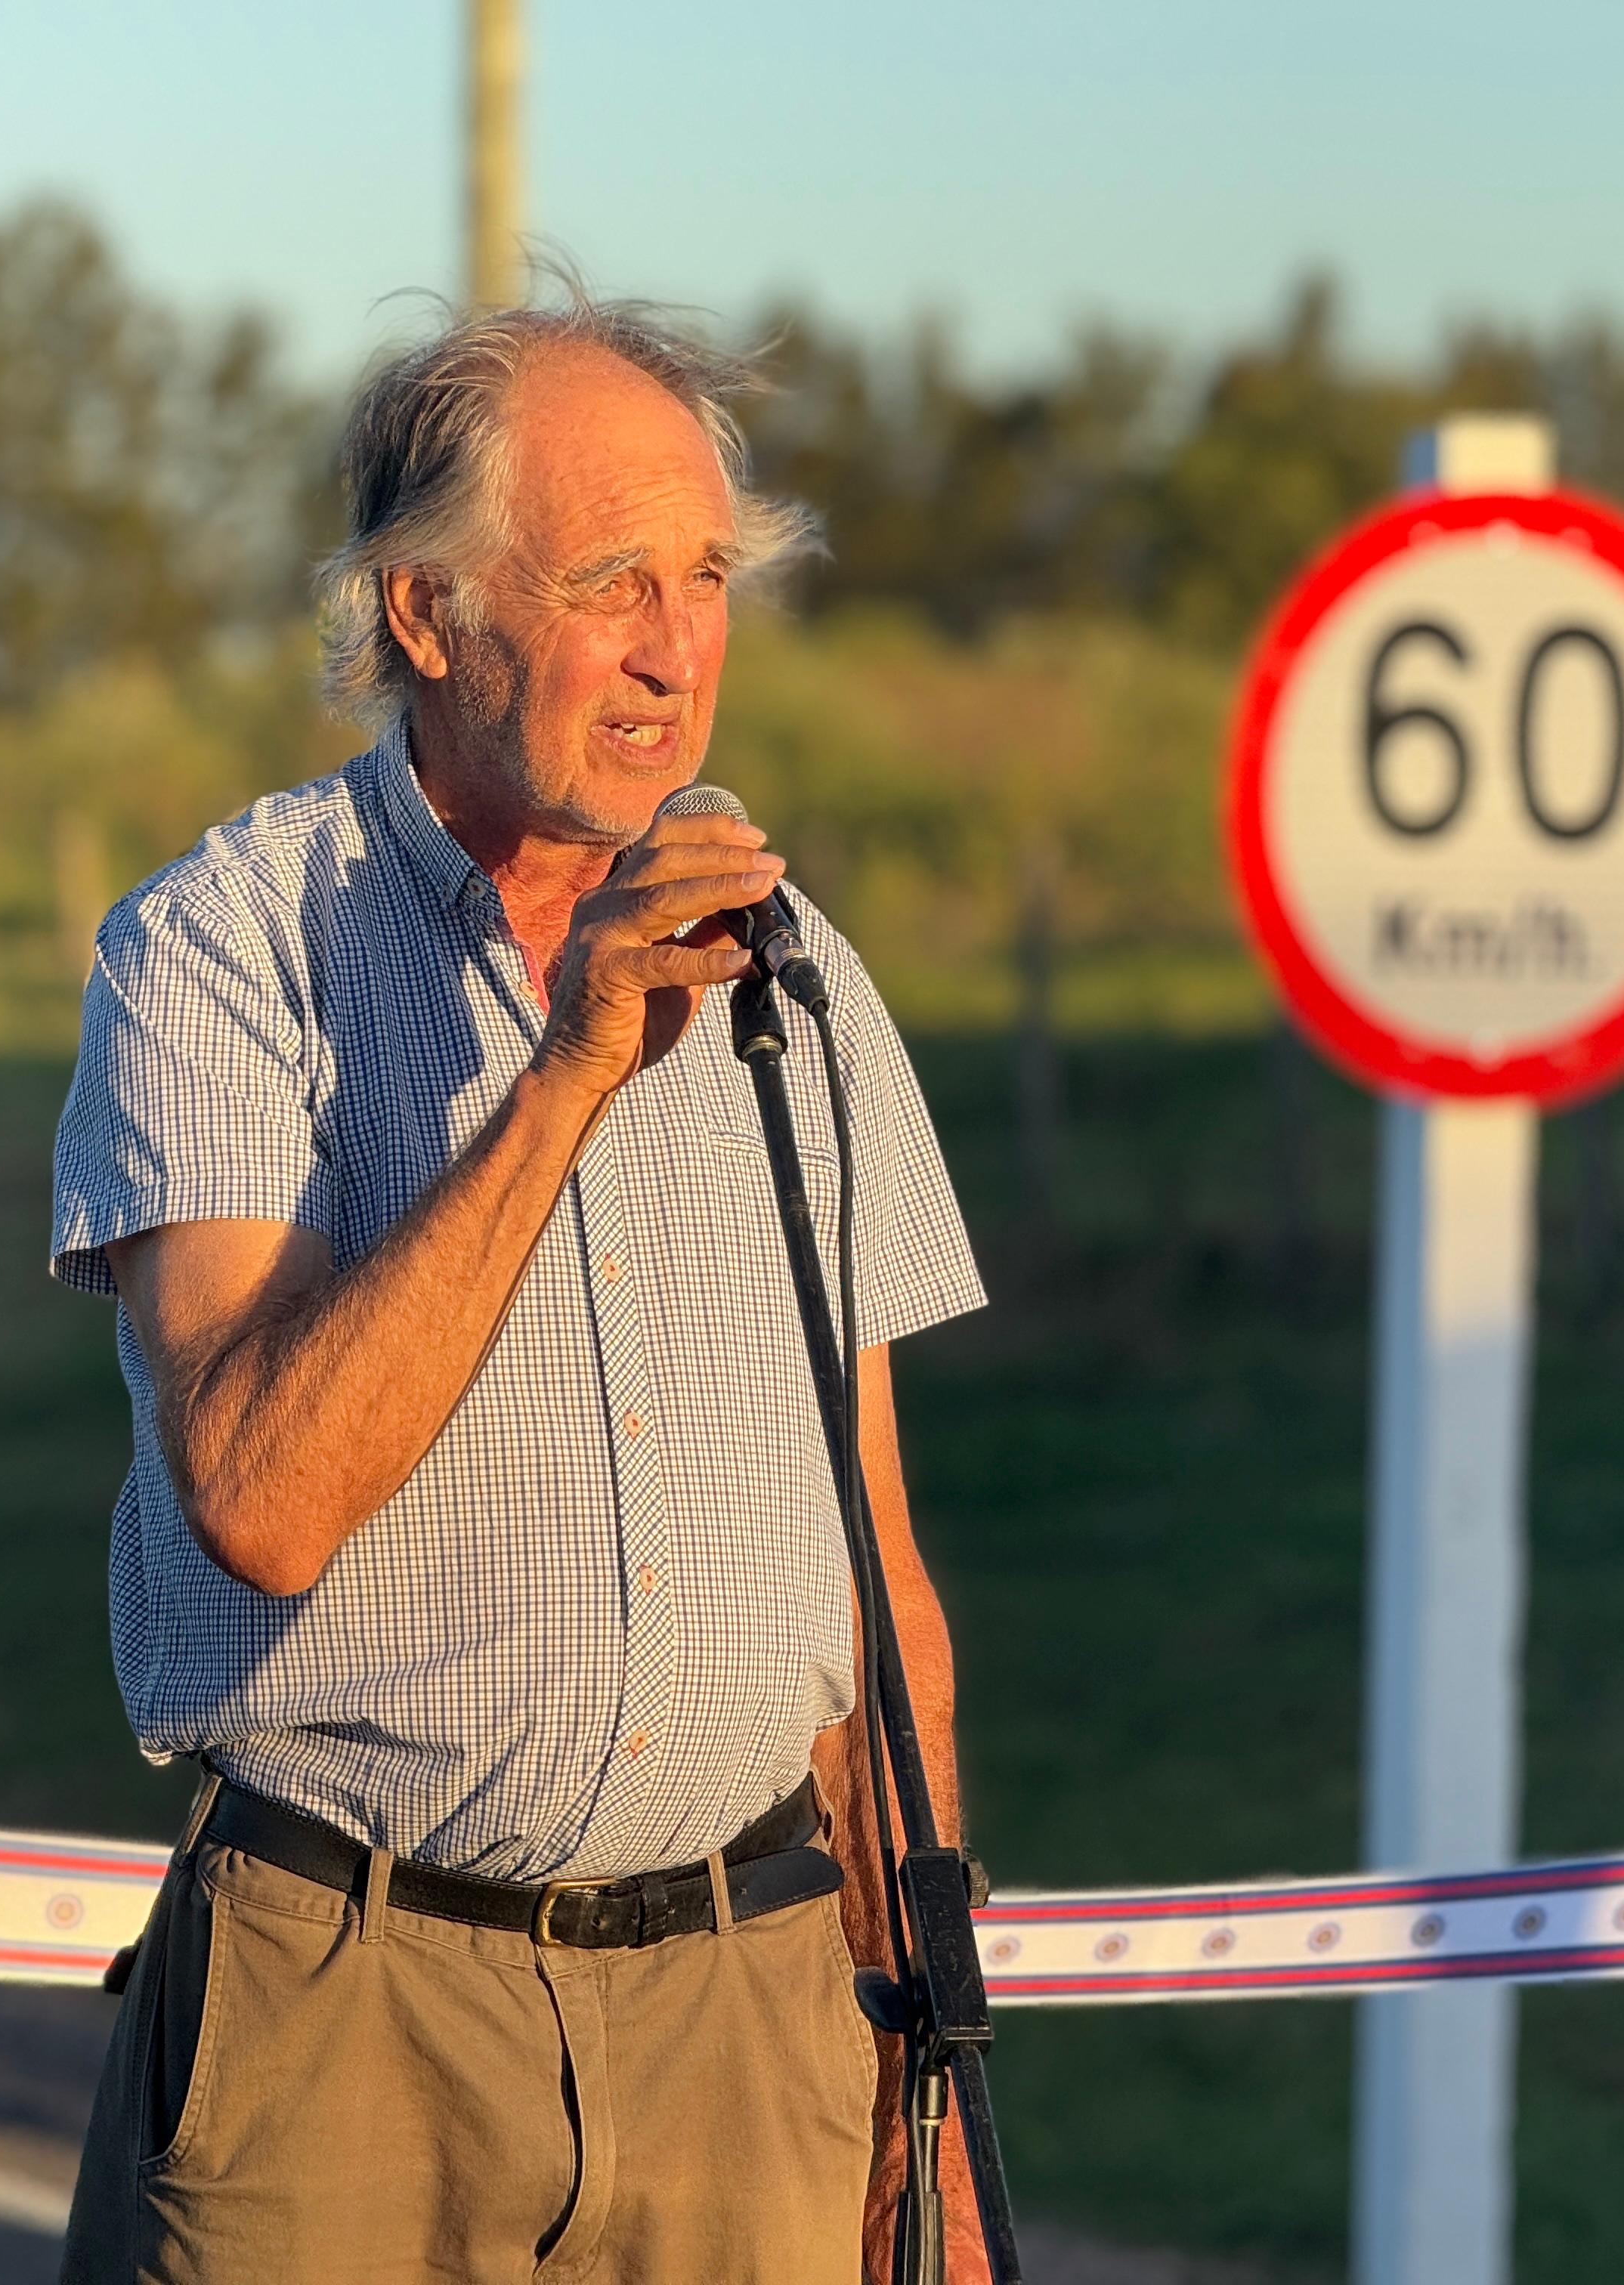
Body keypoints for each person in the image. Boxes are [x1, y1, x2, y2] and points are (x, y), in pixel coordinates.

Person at [48, 292, 989, 2283]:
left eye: (706, 579)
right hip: (346, 2016)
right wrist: (571, 1070)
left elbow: (875, 1579)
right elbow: (264, 1498)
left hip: (750, 2015)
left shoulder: (803, 981)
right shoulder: (223, 947)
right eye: (608, 583)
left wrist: (934, 2079)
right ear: (425, 614)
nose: (675, 648)